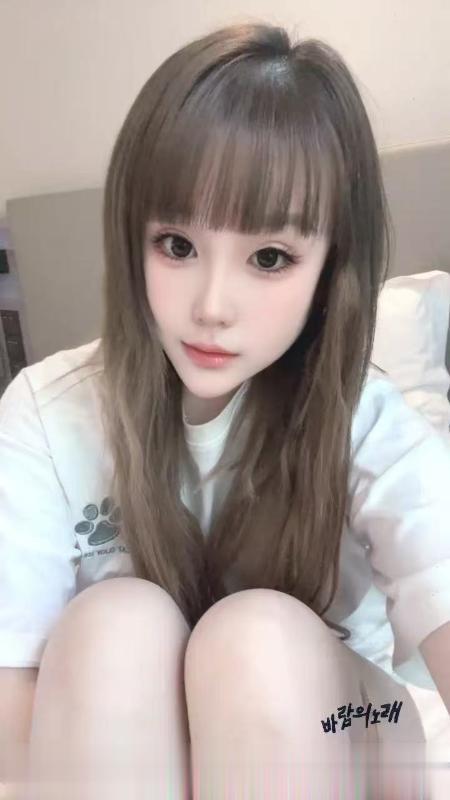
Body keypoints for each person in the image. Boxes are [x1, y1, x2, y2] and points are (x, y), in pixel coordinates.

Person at [0, 20, 449, 800]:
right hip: (125, 740)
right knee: (114, 626)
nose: (212, 306)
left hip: (356, 727)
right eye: (176, 245)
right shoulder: (48, 415)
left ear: (330, 269)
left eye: (269, 257)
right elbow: (13, 714)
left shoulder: (365, 422)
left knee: (253, 640)